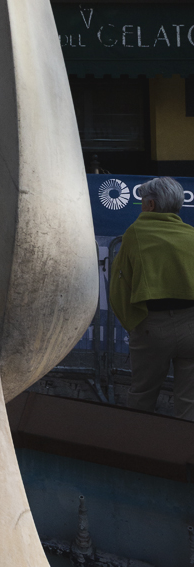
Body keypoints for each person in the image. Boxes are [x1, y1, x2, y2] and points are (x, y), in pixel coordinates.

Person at [110, 176, 194, 420]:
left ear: (151, 206)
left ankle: (139, 451)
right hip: (192, 325)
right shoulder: (191, 234)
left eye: (143, 201)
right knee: (189, 402)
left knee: (142, 396)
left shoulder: (136, 233)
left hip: (152, 327)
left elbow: (119, 286)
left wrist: (133, 323)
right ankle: (183, 455)